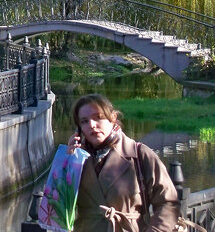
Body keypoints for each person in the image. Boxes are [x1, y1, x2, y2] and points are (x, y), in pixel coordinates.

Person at [68, 93, 178, 232]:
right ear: (79, 129)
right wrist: (67, 162)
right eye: (84, 121)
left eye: (98, 117)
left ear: (113, 118)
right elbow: (56, 206)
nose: (92, 125)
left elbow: (167, 203)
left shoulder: (139, 155)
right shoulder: (77, 159)